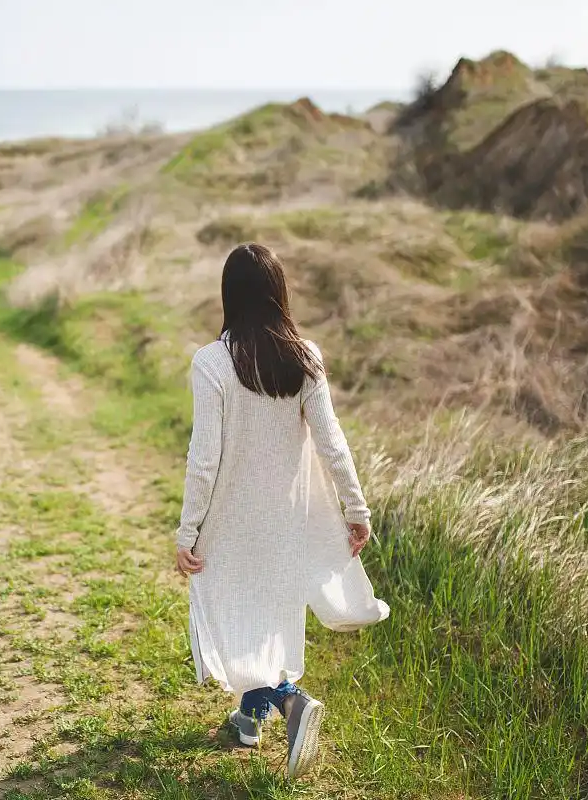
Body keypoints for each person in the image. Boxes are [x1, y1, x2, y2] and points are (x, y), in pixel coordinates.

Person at [174, 242, 390, 780]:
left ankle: (291, 701)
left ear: (230, 295)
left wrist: (189, 529)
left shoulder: (212, 362)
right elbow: (332, 443)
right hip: (286, 519)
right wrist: (356, 508)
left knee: (231, 614)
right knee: (268, 614)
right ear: (278, 293)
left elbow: (205, 458)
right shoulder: (304, 355)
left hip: (231, 518)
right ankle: (250, 720)